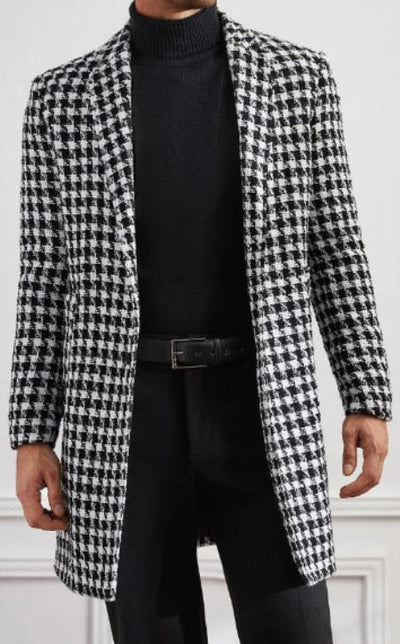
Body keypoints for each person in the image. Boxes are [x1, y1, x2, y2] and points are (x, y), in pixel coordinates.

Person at [9, 1, 392, 642]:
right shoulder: (62, 98)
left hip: (261, 411)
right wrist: (32, 433)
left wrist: (366, 393)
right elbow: (45, 277)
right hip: (125, 425)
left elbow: (335, 246)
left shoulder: (296, 78)